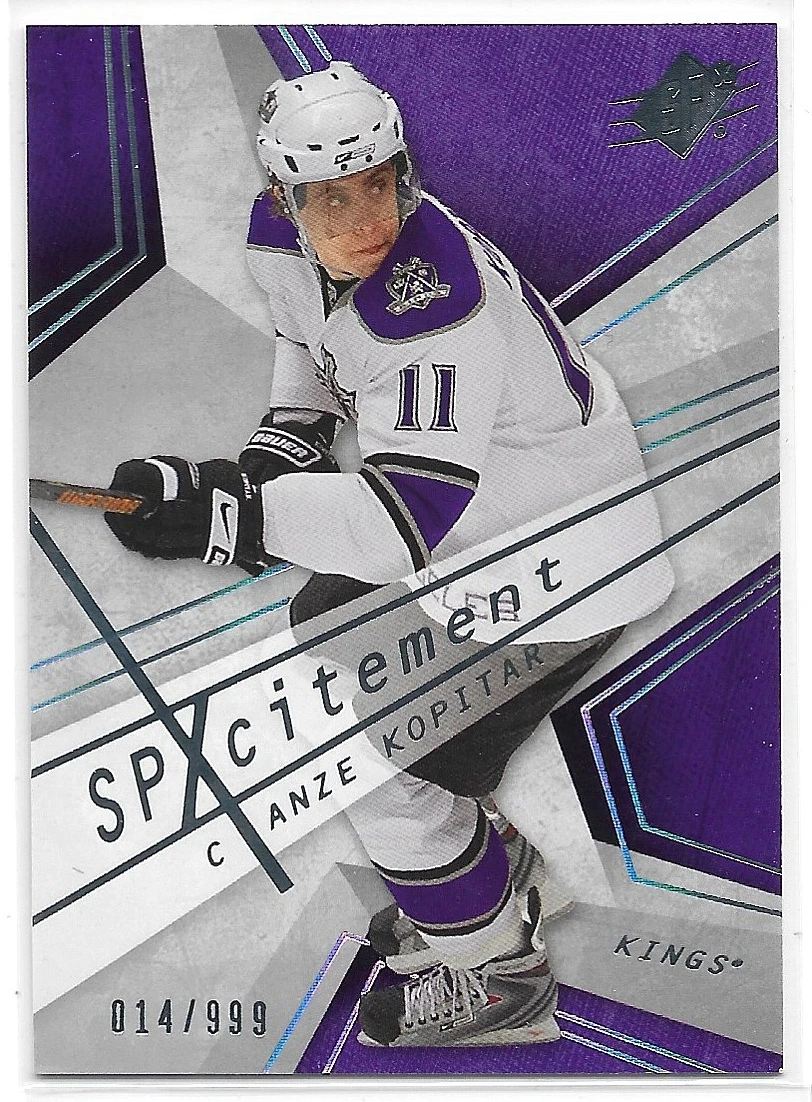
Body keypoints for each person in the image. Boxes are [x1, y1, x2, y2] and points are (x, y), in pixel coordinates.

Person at [105, 61, 673, 1047]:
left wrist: (235, 514)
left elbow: (398, 523)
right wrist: (272, 454)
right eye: (333, 196)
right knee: (325, 625)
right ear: (284, 195)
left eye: (380, 182)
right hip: (494, 528)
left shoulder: (431, 305)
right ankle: (483, 866)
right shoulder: (277, 235)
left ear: (403, 168)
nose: (367, 216)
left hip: (561, 567)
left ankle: (497, 972)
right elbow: (305, 348)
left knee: (354, 752)